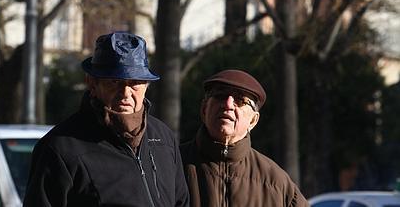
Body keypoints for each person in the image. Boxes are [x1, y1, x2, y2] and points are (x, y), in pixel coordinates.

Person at [24, 32, 189, 207]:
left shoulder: (163, 137)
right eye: (114, 82)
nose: (126, 93)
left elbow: (182, 202)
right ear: (92, 84)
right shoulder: (60, 147)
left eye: (135, 82)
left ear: (146, 85)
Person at [180, 69, 308, 207]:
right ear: (204, 109)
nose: (228, 105)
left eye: (240, 100)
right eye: (220, 95)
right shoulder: (172, 164)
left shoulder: (277, 183)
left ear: (253, 120)